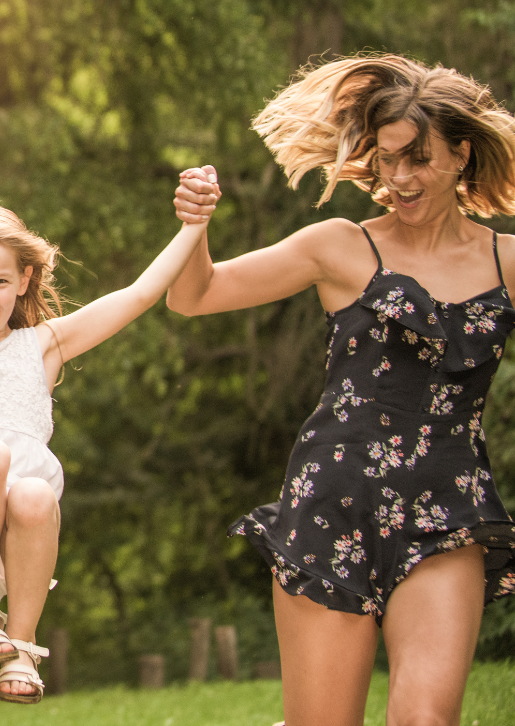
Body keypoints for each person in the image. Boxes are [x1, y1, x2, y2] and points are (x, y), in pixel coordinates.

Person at [167, 55, 515, 726]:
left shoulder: (506, 262)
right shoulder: (340, 247)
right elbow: (194, 295)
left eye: (418, 159)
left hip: (448, 510)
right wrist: (195, 227)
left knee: (425, 720)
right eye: (387, 159)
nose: (400, 177)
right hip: (332, 504)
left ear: (462, 154)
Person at [0, 99, 215, 703]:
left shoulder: (45, 346)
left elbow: (139, 294)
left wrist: (194, 226)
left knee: (32, 490)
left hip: (22, 536)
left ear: (24, 280)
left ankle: (21, 649)